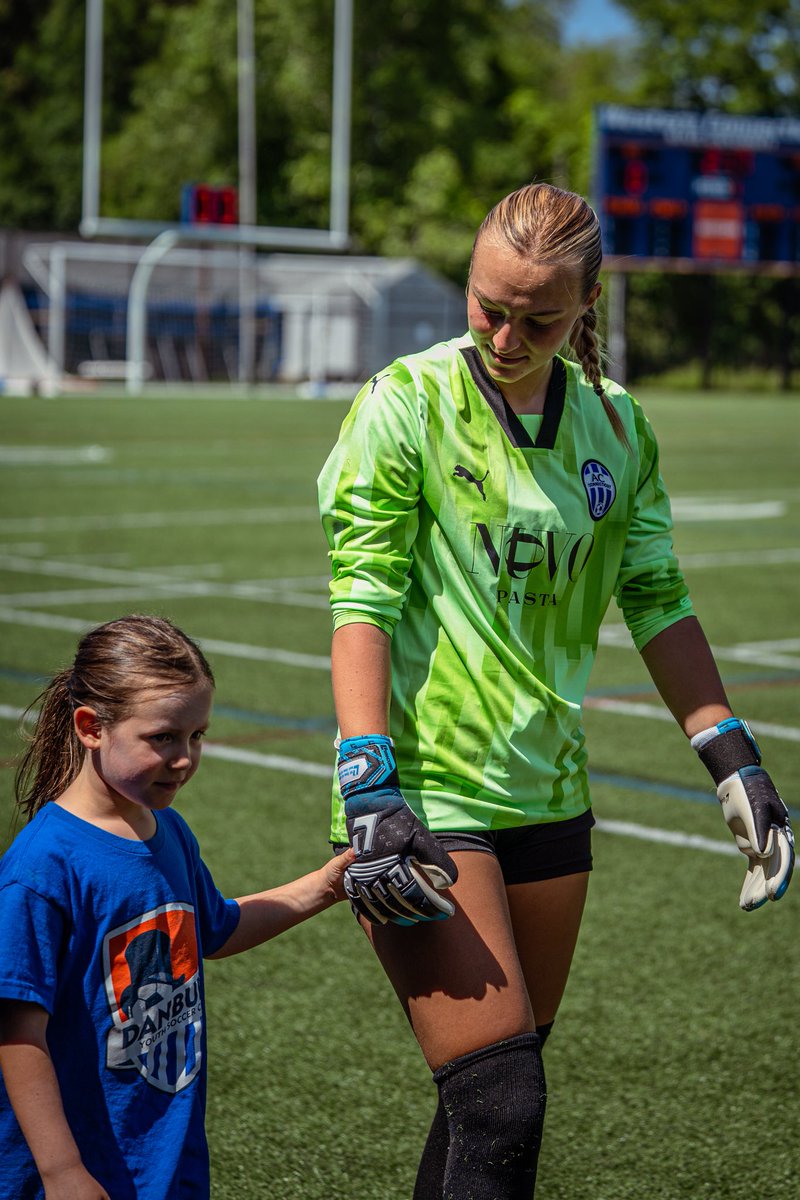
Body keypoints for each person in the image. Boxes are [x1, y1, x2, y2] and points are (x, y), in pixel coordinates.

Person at [316, 181, 794, 1199]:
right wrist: (367, 781)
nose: (502, 333)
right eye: (487, 304)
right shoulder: (403, 403)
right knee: (499, 1101)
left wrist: (730, 756)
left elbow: (657, 599)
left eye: (538, 318)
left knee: (487, 1098)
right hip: (420, 792)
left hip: (548, 792)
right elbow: (361, 597)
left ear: (586, 308)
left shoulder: (615, 427)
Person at [0, 614, 353, 1200]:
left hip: (167, 1155)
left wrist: (326, 885)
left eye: (197, 736)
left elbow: (215, 928)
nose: (185, 758)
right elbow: (16, 1033)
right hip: (80, 1170)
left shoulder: (169, 831)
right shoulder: (43, 869)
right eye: (163, 737)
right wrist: (63, 1171)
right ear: (91, 727)